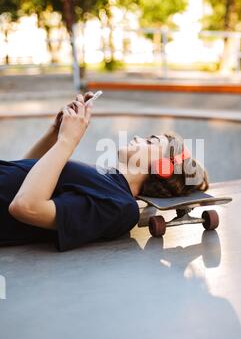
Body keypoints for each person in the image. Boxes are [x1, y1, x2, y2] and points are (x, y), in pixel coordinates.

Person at [0, 93, 208, 251]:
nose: (138, 137)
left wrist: (68, 140)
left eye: (150, 141)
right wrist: (55, 132)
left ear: (163, 167)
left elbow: (26, 206)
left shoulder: (120, 207)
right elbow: (26, 173)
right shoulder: (107, 179)